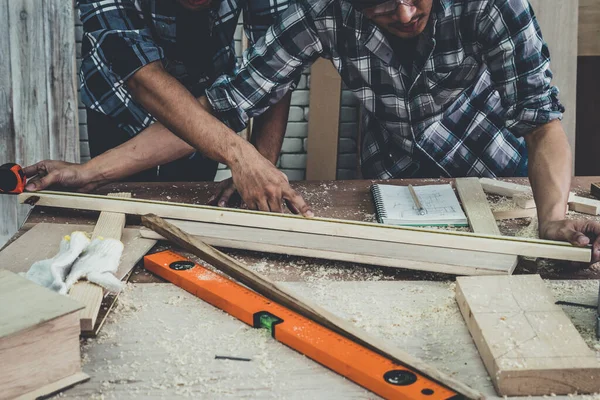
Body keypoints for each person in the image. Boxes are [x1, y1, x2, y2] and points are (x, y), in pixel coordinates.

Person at [204, 0, 600, 258]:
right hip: (391, 178)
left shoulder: (492, 4)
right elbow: (232, 100)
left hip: (498, 174)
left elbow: (541, 124)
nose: (406, 15)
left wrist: (551, 217)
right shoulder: (318, 9)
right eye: (381, 5)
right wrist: (248, 160)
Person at [23, 0, 312, 216]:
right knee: (116, 213)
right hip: (117, 100)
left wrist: (258, 167)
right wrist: (93, 172)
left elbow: (274, 69)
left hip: (205, 98)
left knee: (187, 212)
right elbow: (141, 77)